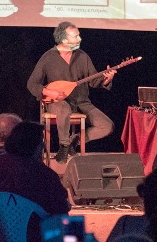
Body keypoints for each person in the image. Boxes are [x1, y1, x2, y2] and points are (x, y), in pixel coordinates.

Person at [27, 21, 116, 162]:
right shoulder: (48, 57)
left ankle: (76, 140)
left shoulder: (82, 56)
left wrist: (106, 79)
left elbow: (94, 81)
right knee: (64, 109)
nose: (79, 39)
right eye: (75, 36)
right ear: (63, 40)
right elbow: (32, 84)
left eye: (79, 35)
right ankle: (64, 146)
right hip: (58, 102)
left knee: (107, 126)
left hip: (82, 102)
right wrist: (49, 93)